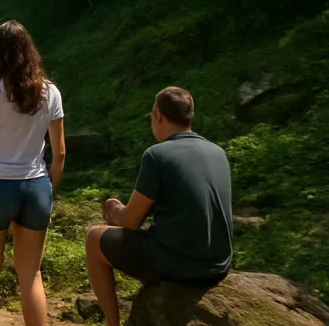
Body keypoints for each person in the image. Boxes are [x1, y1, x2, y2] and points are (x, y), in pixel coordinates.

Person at [84, 87, 233, 326]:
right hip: (217, 265)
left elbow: (131, 221)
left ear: (159, 116)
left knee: (94, 237)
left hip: (177, 267)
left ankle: (112, 323)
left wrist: (114, 209)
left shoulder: (157, 155)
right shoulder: (218, 152)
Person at [0, 20, 65, 326]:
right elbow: (59, 152)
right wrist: (49, 186)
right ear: (30, 51)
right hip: (35, 187)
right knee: (31, 274)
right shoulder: (51, 93)